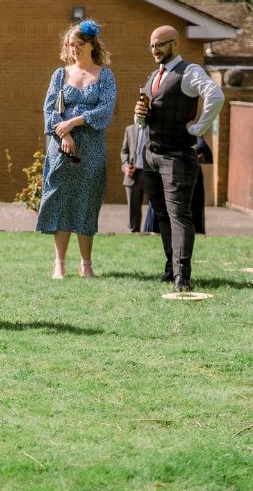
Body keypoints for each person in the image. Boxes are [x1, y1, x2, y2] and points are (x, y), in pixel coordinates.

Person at [134, 25, 225, 291]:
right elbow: (142, 120)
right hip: (150, 155)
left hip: (177, 157)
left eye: (160, 44)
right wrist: (140, 114)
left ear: (175, 44)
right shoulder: (152, 77)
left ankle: (182, 278)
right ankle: (169, 268)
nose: (155, 50)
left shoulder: (190, 71)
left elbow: (216, 94)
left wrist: (198, 129)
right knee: (161, 215)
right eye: (152, 45)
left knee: (179, 216)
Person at [36, 20, 117, 279]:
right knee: (61, 200)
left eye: (79, 44)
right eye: (70, 45)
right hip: (61, 147)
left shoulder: (105, 76)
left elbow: (105, 111)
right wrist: (66, 132)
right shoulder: (59, 75)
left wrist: (76, 120)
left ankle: (86, 264)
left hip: (91, 149)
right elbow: (49, 110)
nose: (73, 49)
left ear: (92, 44)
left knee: (86, 201)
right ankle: (59, 264)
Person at [120, 123, 149, 233]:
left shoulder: (153, 129)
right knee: (133, 209)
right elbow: (124, 151)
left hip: (149, 174)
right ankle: (133, 232)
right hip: (132, 175)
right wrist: (126, 166)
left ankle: (154, 232)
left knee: (154, 207)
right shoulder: (129, 129)